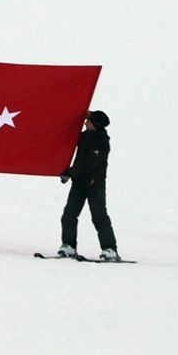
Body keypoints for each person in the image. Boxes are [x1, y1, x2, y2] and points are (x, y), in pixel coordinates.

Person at [56, 110, 120, 261]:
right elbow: (66, 138)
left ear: (95, 124)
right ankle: (68, 246)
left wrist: (69, 172)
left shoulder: (102, 142)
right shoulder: (85, 136)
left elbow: (88, 164)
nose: (86, 122)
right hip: (79, 183)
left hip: (94, 185)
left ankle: (110, 249)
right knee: (69, 215)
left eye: (89, 121)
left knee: (99, 217)